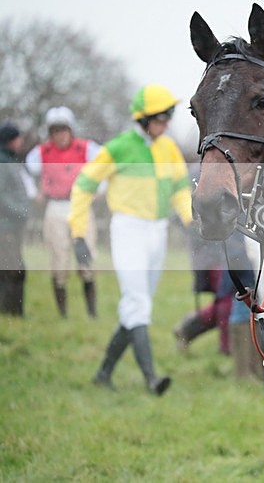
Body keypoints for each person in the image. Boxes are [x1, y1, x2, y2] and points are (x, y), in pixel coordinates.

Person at [69, 84, 193, 396]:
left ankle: (103, 373)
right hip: (128, 231)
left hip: (158, 232)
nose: (167, 122)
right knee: (137, 305)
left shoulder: (168, 148)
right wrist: (79, 232)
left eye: (170, 115)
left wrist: (192, 221)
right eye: (163, 116)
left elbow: (180, 188)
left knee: (137, 307)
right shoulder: (118, 147)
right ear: (145, 118)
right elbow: (83, 186)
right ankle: (151, 379)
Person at [25, 106, 101, 318]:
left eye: (63, 129)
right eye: (55, 130)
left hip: (81, 207)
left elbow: (105, 167)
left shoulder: (86, 148)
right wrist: (35, 193)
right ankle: (63, 315)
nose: (59, 135)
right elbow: (25, 172)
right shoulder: (42, 152)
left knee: (86, 259)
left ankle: (91, 313)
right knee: (59, 262)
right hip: (55, 207)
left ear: (70, 129)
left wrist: (98, 190)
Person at [0, 122, 31, 317]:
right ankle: (11, 313)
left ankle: (12, 312)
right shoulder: (3, 162)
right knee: (13, 270)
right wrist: (18, 211)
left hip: (11, 225)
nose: (21, 141)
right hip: (6, 226)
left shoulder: (9, 159)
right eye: (18, 138)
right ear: (10, 140)